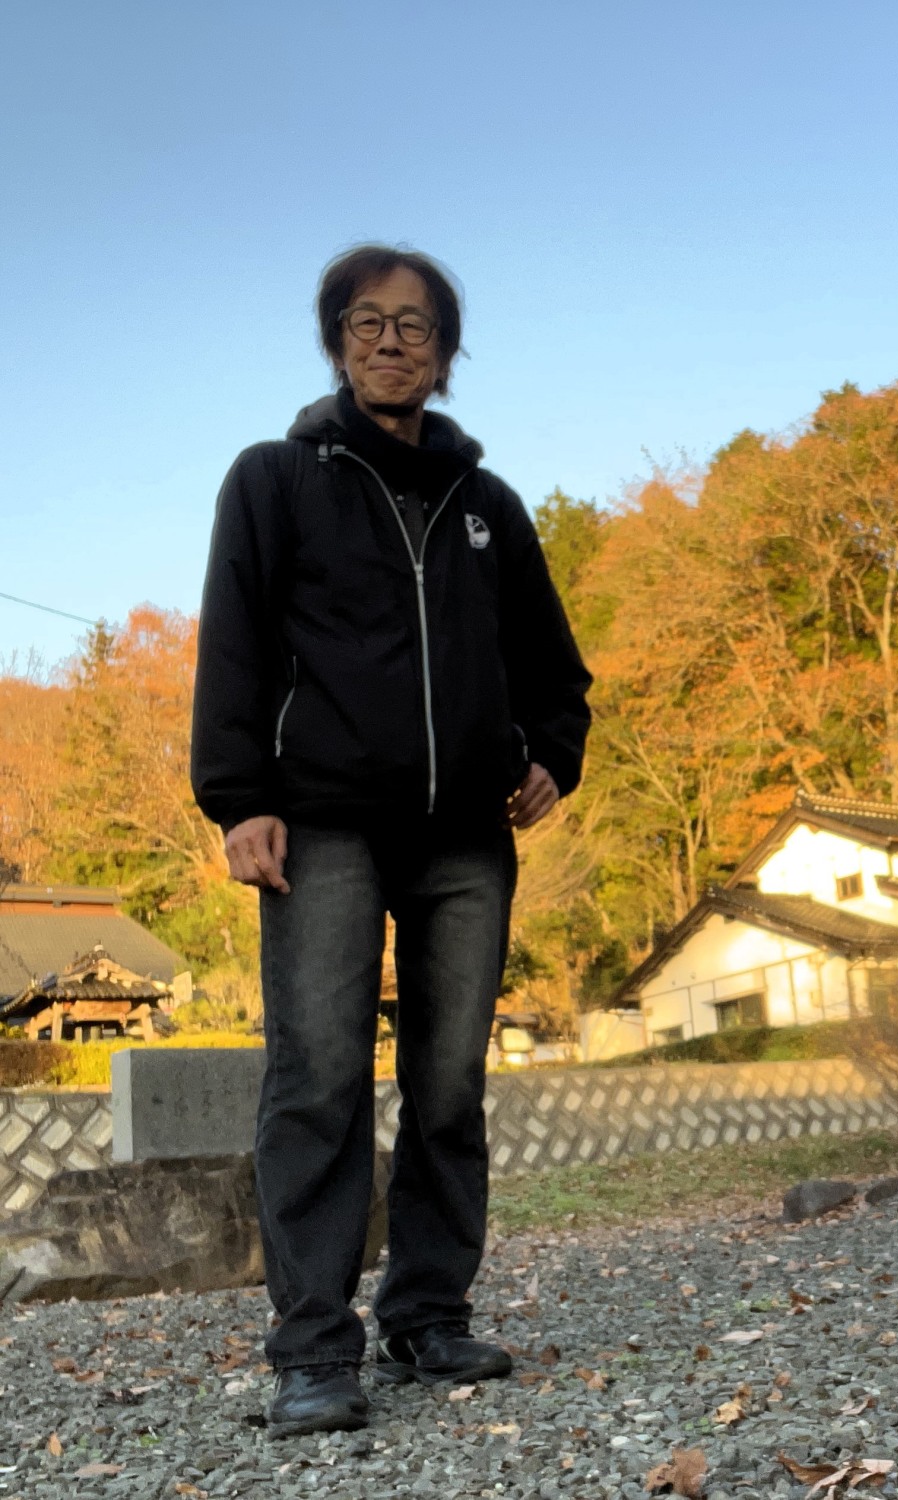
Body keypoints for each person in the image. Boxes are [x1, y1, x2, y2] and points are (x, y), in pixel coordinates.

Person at [191, 245, 592, 1438]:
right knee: (318, 1078)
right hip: (321, 821)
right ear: (336, 341)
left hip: (466, 834)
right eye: (366, 321)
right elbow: (234, 644)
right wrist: (238, 797)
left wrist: (552, 751)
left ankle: (427, 1312)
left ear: (445, 351)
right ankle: (315, 1348)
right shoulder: (275, 479)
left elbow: (552, 664)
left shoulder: (487, 506)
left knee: (449, 1082)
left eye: (415, 325)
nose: (390, 341)